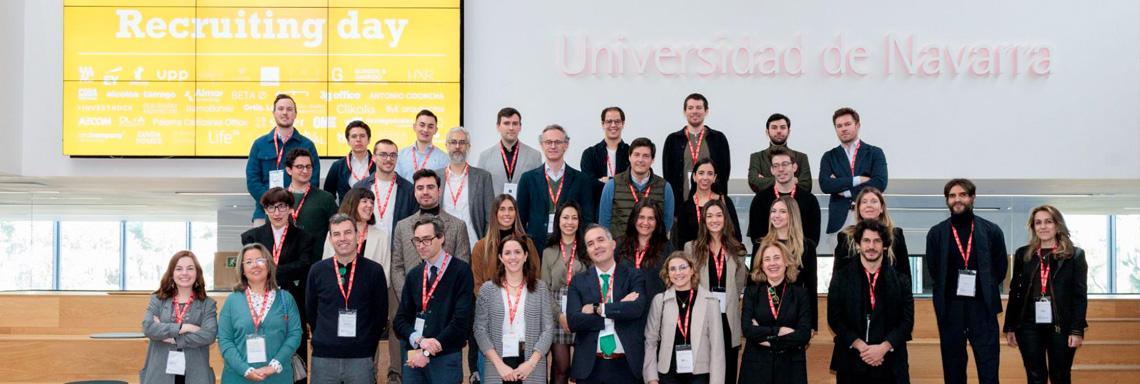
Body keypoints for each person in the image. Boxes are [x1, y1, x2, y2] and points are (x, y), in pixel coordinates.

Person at [924, 178, 1007, 384]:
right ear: (947, 200)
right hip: (950, 310)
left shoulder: (992, 230)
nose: (957, 199)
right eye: (952, 196)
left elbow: (1000, 269)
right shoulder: (936, 233)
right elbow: (934, 271)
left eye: (962, 195)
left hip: (983, 309)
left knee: (989, 370)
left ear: (972, 198)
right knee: (953, 371)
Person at [1004, 205, 1088, 384]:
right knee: (1035, 376)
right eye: (1038, 223)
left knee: (1060, 376)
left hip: (1061, 326)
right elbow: (1015, 292)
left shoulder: (1075, 255)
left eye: (1048, 222)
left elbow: (1079, 296)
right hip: (1028, 325)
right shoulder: (1023, 254)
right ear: (1033, 227)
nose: (1043, 227)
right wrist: (1010, 326)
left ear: (1058, 225)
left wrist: (1076, 330)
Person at [305, 214, 390, 383]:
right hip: (324, 358)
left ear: (358, 236)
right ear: (330, 239)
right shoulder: (317, 271)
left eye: (348, 232)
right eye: (336, 234)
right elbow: (311, 311)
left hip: (361, 357)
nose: (342, 238)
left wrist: (366, 344)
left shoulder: (374, 271)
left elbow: (380, 315)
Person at [828, 220, 914, 383]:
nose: (871, 246)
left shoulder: (901, 280)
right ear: (858, 245)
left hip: (891, 362)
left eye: (877, 241)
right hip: (851, 360)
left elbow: (907, 322)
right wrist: (861, 346)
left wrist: (883, 348)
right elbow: (835, 318)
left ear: (885, 246)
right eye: (866, 241)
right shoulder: (841, 278)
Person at [393, 216, 476, 384]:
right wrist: (419, 340)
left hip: (445, 358)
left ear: (441, 237)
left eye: (427, 239)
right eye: (417, 240)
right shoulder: (414, 275)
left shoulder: (461, 271)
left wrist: (427, 351)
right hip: (415, 357)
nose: (421, 245)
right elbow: (400, 321)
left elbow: (461, 321)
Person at [470, 194, 542, 383]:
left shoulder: (528, 244)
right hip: (492, 325)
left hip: (523, 325)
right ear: (494, 213)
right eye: (502, 209)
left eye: (511, 209)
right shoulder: (480, 247)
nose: (507, 213)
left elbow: (536, 279)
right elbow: (477, 286)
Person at [240, 188, 315, 367]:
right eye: (271, 207)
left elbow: (303, 267)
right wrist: (283, 271)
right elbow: (248, 268)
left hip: (292, 301)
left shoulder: (304, 238)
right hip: (258, 301)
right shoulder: (252, 237)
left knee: (294, 352)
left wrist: (266, 270)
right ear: (265, 210)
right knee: (260, 350)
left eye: (282, 206)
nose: (277, 213)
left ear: (290, 209)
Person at [566, 224, 648, 383]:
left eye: (600, 240)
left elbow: (636, 309)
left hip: (626, 366)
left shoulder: (633, 276)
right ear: (587, 251)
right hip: (589, 368)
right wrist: (619, 309)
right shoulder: (578, 281)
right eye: (590, 244)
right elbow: (574, 321)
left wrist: (598, 308)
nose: (596, 246)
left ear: (613, 244)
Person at [474, 235, 555, 384]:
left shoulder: (540, 288)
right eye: (507, 253)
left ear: (525, 256)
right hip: (498, 364)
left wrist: (531, 363)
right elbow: (480, 330)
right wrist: (499, 365)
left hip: (531, 363)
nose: (513, 257)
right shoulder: (487, 289)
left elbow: (548, 329)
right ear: (500, 257)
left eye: (517, 252)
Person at [218, 243, 303, 384]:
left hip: (277, 377)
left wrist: (274, 366)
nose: (255, 265)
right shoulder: (232, 301)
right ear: (242, 270)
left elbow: (295, 334)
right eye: (249, 262)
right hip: (238, 378)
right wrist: (245, 370)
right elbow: (225, 340)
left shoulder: (286, 299)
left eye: (260, 260)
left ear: (268, 266)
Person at [683, 198, 747, 382]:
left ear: (725, 219)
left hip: (728, 320)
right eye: (709, 216)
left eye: (719, 215)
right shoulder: (691, 248)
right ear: (703, 220)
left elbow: (738, 284)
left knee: (727, 373)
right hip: (702, 318)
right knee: (703, 373)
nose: (714, 220)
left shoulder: (738, 250)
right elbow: (688, 284)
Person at [643, 251, 726, 384]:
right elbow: (651, 341)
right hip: (668, 373)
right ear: (668, 273)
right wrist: (651, 377)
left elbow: (717, 346)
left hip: (700, 374)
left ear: (692, 270)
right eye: (672, 269)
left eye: (683, 267)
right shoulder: (660, 301)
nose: (678, 273)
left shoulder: (710, 301)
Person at [391, 169, 473, 297]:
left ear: (439, 191)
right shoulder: (402, 227)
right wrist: (408, 299)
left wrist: (444, 301)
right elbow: (397, 267)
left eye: (430, 187)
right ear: (414, 193)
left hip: (447, 300)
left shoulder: (458, 226)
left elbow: (462, 269)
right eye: (420, 188)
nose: (425, 192)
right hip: (412, 301)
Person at [740, 241, 811, 384]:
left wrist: (766, 337)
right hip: (756, 369)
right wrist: (779, 331)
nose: (772, 263)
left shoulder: (801, 294)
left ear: (786, 262)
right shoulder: (751, 293)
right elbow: (747, 329)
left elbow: (803, 335)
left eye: (777, 258)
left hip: (790, 369)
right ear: (761, 265)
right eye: (767, 259)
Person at [141, 251, 218, 384]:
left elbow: (209, 335)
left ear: (197, 273)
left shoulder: (207, 304)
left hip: (195, 375)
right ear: (172, 273)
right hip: (160, 375)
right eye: (179, 269)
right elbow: (148, 328)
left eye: (190, 268)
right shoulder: (157, 300)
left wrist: (175, 339)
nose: (184, 273)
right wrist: (185, 327)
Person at [516, 124, 595, 249]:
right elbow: (520, 218)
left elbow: (587, 218)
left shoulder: (582, 180)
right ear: (542, 145)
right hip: (535, 247)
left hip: (570, 247)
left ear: (566, 145)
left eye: (558, 142)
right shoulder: (527, 179)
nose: (553, 146)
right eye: (548, 142)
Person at [246, 94, 320, 225]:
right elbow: (253, 180)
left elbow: (313, 180)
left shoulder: (307, 145)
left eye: (289, 109)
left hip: (298, 213)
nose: (285, 112)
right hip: (264, 213)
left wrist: (290, 204)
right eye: (280, 109)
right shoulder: (259, 144)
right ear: (274, 113)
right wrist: (271, 202)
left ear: (295, 114)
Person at [538, 201, 590, 384]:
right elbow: (544, 288)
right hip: (557, 313)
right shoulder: (548, 251)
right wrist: (559, 316)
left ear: (579, 221)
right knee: (562, 367)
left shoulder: (587, 249)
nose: (570, 222)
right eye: (565, 217)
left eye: (574, 218)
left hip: (582, 311)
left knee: (581, 370)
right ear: (558, 221)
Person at [818, 107, 887, 235]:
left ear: (857, 125)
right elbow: (825, 185)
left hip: (870, 216)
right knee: (839, 248)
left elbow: (879, 183)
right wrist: (859, 179)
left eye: (847, 124)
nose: (843, 129)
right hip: (839, 220)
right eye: (839, 126)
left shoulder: (875, 153)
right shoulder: (829, 156)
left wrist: (846, 192)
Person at [758, 197, 819, 332]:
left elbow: (811, 286)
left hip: (795, 315)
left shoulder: (807, 246)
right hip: (765, 314)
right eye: (773, 211)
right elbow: (754, 282)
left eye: (782, 211)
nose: (776, 215)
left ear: (792, 215)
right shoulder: (761, 245)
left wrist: (811, 324)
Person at [597, 137, 675, 243]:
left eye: (646, 156)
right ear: (629, 157)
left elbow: (667, 223)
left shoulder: (665, 187)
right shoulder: (612, 185)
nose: (640, 160)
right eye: (636, 155)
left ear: (652, 160)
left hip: (653, 249)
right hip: (620, 249)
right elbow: (604, 224)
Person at [663, 93, 731, 214]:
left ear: (706, 111)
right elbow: (668, 175)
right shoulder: (673, 140)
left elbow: (724, 173)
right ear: (684, 112)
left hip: (712, 210)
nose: (694, 111)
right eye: (690, 108)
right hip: (681, 208)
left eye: (699, 108)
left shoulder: (718, 139)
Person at [747, 148, 821, 246]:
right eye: (776, 166)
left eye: (785, 164)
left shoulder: (809, 200)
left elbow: (813, 240)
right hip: (769, 254)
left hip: (800, 253)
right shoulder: (760, 200)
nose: (781, 169)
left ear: (794, 167)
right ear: (772, 170)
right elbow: (757, 239)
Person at [435, 126, 494, 247]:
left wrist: (485, 246)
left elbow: (490, 217)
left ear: (468, 147)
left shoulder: (483, 177)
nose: (457, 146)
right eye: (453, 142)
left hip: (473, 245)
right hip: (443, 246)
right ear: (447, 145)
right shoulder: (435, 177)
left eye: (462, 142)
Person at [833, 188, 911, 279]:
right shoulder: (845, 236)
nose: (869, 205)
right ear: (858, 208)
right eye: (864, 202)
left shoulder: (896, 235)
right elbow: (838, 277)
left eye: (874, 201)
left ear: (881, 208)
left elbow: (905, 276)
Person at [353, 138, 418, 246]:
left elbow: (414, 225)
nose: (388, 159)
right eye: (383, 155)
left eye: (393, 155)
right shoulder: (359, 187)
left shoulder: (409, 189)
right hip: (366, 248)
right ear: (374, 158)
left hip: (397, 249)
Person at [674, 157, 742, 249]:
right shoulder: (685, 207)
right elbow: (682, 242)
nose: (705, 177)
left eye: (710, 173)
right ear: (694, 177)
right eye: (701, 173)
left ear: (714, 178)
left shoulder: (725, 202)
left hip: (722, 254)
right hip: (695, 255)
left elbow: (737, 235)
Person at [284, 148, 338, 262]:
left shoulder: (325, 198)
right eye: (299, 167)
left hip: (316, 262)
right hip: (285, 262)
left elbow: (337, 229)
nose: (305, 171)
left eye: (308, 167)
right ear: (289, 170)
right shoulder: (279, 198)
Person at [617, 198, 674, 302]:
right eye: (641, 217)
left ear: (657, 222)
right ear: (634, 219)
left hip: (655, 306)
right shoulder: (620, 244)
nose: (645, 222)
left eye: (651, 218)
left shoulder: (667, 247)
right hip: (624, 305)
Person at [477, 107, 543, 197]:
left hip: (523, 206)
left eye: (515, 123)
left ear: (520, 127)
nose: (511, 128)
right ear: (498, 126)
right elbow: (480, 192)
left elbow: (538, 190)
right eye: (506, 123)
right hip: (495, 206)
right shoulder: (485, 157)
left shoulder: (534, 156)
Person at [321, 188, 391, 267]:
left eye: (372, 202)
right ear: (353, 204)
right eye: (365, 201)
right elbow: (325, 266)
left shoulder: (382, 237)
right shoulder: (335, 234)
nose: (370, 205)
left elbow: (385, 270)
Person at [747, 113, 812, 194]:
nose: (778, 131)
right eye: (774, 127)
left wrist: (765, 180)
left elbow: (806, 186)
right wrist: (791, 180)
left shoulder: (801, 157)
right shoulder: (757, 157)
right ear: (767, 132)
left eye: (783, 127)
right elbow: (754, 182)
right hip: (765, 201)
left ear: (789, 131)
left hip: (796, 201)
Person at [581, 106, 631, 202]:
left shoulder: (631, 153)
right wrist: (618, 182)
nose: (613, 125)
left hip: (625, 205)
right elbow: (589, 183)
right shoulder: (589, 154)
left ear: (623, 124)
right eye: (609, 121)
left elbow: (632, 181)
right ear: (603, 124)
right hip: (598, 204)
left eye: (617, 121)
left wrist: (608, 180)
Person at [324, 120, 375, 203]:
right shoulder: (338, 166)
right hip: (346, 211)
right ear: (348, 141)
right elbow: (328, 195)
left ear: (369, 140)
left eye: (362, 136)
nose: (358, 139)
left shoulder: (378, 164)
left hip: (373, 210)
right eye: (354, 136)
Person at [395, 110, 449, 178]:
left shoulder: (444, 159)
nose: (425, 130)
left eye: (430, 127)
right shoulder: (400, 155)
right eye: (422, 125)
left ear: (435, 130)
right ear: (414, 127)